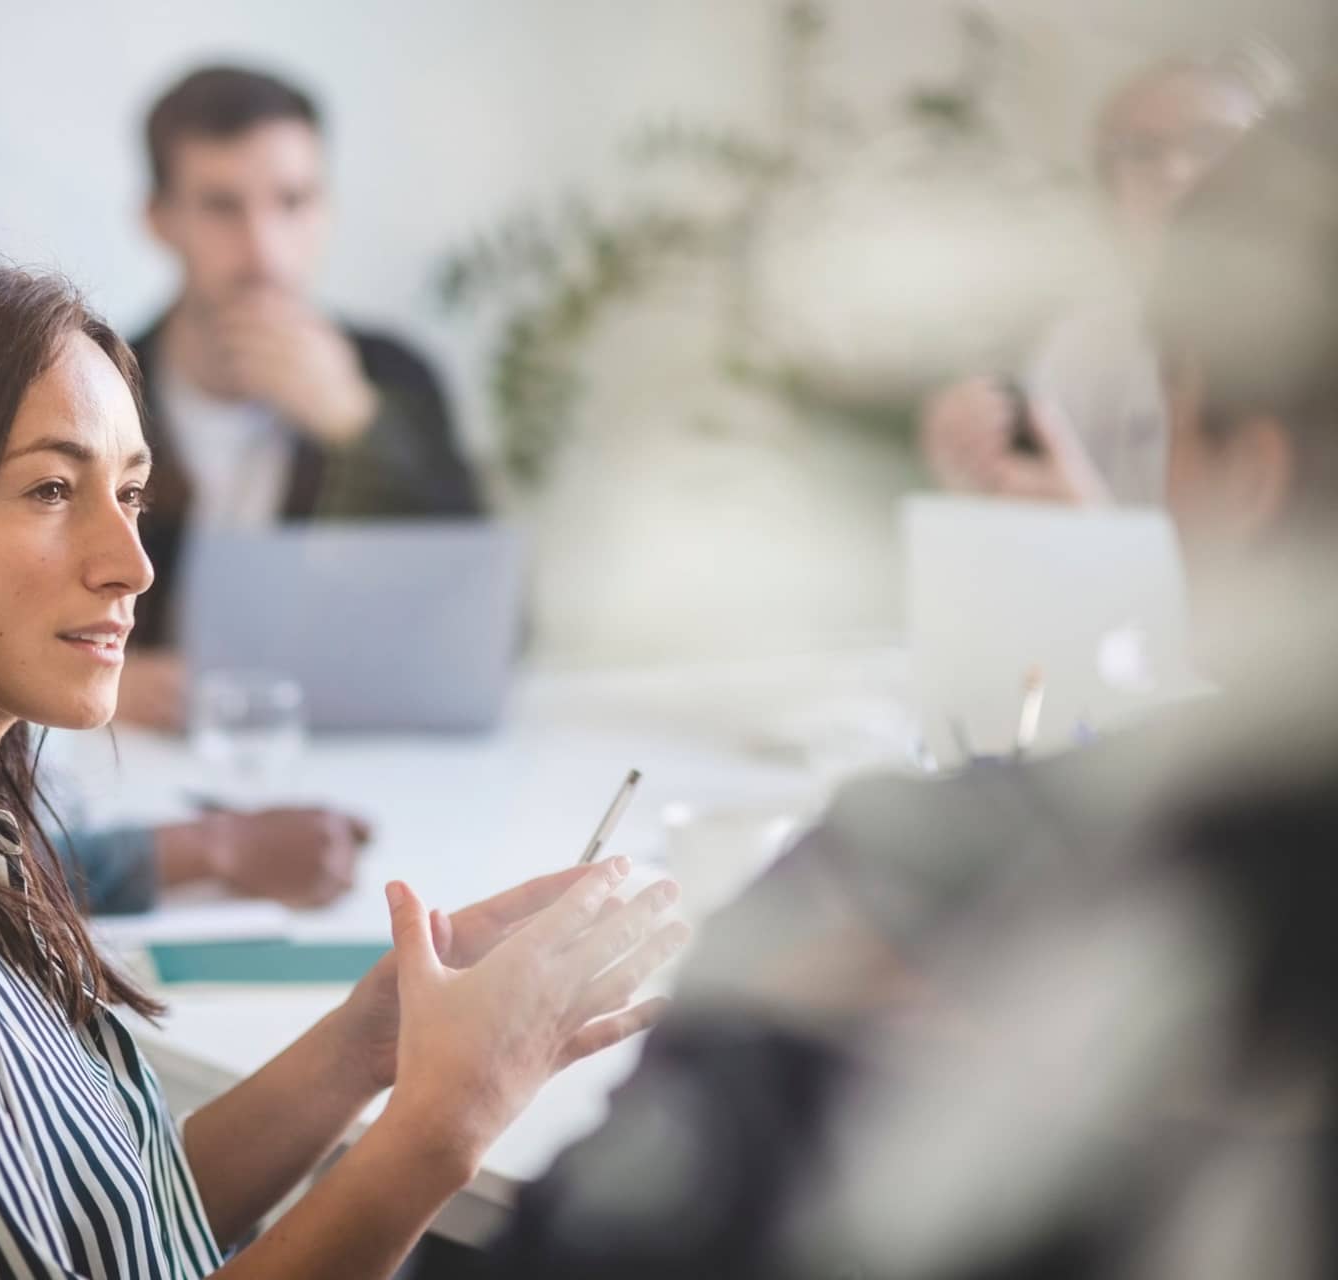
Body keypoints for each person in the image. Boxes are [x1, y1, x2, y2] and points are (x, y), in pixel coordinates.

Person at [0, 247, 691, 1279]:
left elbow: (116, 1224)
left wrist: (369, 1041)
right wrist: (447, 1123)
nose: (132, 564)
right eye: (52, 490)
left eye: (131, 493)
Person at [488, 89, 1338, 1278]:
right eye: (1138, 151)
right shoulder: (1062, 349)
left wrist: (1087, 573)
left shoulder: (986, 890)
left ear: (1251, 468)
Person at [121, 65, 483, 725]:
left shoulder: (392, 376)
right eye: (222, 207)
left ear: (327, 209)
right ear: (160, 219)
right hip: (138, 766)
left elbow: (480, 612)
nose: (263, 251)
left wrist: (359, 427)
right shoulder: (102, 387)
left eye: (292, 202)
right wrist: (102, 682)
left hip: (362, 758)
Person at [918, 54, 1265, 507]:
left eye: (1210, 142)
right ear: (1109, 203)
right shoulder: (1089, 344)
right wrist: (985, 465)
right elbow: (1041, 498)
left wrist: (1093, 532)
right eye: (1142, 151)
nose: (1177, 172)